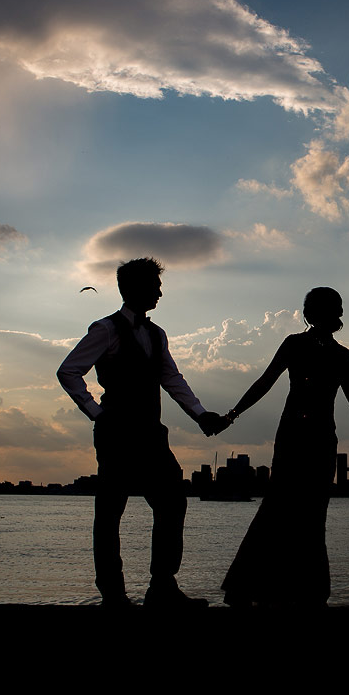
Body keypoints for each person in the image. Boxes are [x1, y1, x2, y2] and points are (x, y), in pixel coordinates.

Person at [57, 257, 227, 607]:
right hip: (116, 433)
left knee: (171, 503)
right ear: (132, 289)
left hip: (151, 433)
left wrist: (199, 414)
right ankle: (114, 595)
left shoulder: (155, 333)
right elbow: (69, 371)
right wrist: (96, 413)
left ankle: (162, 587)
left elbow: (171, 378)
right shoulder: (104, 329)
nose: (160, 293)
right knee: (110, 512)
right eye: (155, 286)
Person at [220, 286, 349, 607]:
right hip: (295, 438)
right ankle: (264, 589)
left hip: (320, 440)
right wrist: (234, 413)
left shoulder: (341, 356)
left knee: (310, 514)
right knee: (279, 508)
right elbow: (265, 381)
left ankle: (305, 592)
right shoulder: (295, 345)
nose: (330, 316)